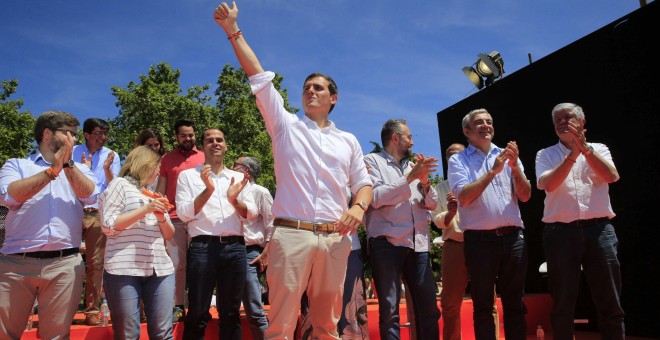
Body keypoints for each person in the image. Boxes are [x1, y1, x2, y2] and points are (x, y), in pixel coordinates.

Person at [214, 3, 374, 339]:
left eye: (319, 88)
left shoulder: (348, 141)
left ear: (334, 98)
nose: (310, 91)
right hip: (290, 236)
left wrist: (358, 207)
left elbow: (364, 184)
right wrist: (233, 30)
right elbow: (257, 75)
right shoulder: (284, 125)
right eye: (306, 87)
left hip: (335, 239)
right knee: (282, 325)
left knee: (328, 325)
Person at [0, 110, 98, 339]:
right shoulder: (16, 165)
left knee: (56, 336)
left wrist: (67, 166)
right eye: (70, 134)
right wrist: (51, 171)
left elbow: (91, 196)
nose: (75, 140)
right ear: (47, 133)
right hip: (16, 264)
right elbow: (9, 196)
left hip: (64, 266)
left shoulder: (80, 169)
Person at [535, 103, 624, 340]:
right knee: (562, 304)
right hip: (560, 233)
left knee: (610, 301)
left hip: (599, 230)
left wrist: (585, 151)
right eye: (558, 119)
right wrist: (572, 156)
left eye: (569, 117)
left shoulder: (600, 148)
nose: (563, 122)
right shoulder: (545, 154)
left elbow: (611, 176)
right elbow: (549, 185)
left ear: (582, 122)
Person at [447, 108, 531, 340]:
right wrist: (493, 172)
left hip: (513, 238)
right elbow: (463, 196)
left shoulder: (508, 156)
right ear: (467, 131)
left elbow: (525, 196)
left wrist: (514, 168)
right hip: (480, 241)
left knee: (516, 303)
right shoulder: (458, 160)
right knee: (483, 306)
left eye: (489, 121)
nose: (486, 125)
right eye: (479, 122)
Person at [363, 119, 440, 339]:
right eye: (409, 137)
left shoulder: (413, 166)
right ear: (395, 138)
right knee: (389, 311)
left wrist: (425, 183)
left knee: (429, 309)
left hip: (419, 244)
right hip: (386, 243)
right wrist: (411, 177)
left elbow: (432, 204)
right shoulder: (371, 161)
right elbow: (375, 198)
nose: (413, 143)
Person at [176, 128, 254, 339]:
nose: (215, 143)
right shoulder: (188, 176)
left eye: (219, 139)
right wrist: (207, 190)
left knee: (231, 314)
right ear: (202, 147)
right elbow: (183, 214)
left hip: (235, 248)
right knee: (198, 313)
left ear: (226, 145)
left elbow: (252, 214)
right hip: (203, 248)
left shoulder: (239, 177)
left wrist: (233, 200)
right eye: (209, 140)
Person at [99, 145, 175, 338]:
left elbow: (169, 234)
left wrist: (160, 215)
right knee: (128, 335)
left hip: (161, 269)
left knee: (163, 334)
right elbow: (108, 225)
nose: (159, 171)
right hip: (123, 270)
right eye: (157, 166)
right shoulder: (119, 185)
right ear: (146, 164)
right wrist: (147, 209)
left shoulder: (151, 193)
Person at [432, 143, 500, 340]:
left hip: (482, 243)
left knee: (488, 301)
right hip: (455, 245)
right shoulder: (441, 187)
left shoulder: (480, 181)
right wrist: (450, 212)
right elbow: (437, 220)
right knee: (450, 303)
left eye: (458, 153)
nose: (454, 157)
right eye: (450, 154)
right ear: (447, 160)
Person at [72, 118, 121, 326]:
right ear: (86, 134)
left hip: (97, 213)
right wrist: (85, 170)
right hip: (71, 211)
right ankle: (64, 309)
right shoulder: (71, 152)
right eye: (98, 133)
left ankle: (91, 310)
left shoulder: (113, 155)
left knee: (95, 263)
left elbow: (113, 185)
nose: (102, 137)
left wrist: (97, 170)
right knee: (66, 261)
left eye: (105, 133)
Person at [156, 119, 205, 322]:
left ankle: (198, 306)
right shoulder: (167, 159)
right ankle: (178, 306)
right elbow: (161, 187)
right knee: (177, 264)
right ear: (176, 136)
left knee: (200, 264)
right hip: (175, 217)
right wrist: (158, 210)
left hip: (199, 218)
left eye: (191, 135)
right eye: (184, 135)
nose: (188, 138)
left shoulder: (204, 156)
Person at [231, 156, 272, 340]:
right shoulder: (227, 191)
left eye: (235, 165)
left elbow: (273, 224)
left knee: (254, 310)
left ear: (246, 170)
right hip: (227, 251)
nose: (231, 167)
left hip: (250, 253)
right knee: (229, 311)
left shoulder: (260, 192)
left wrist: (267, 251)